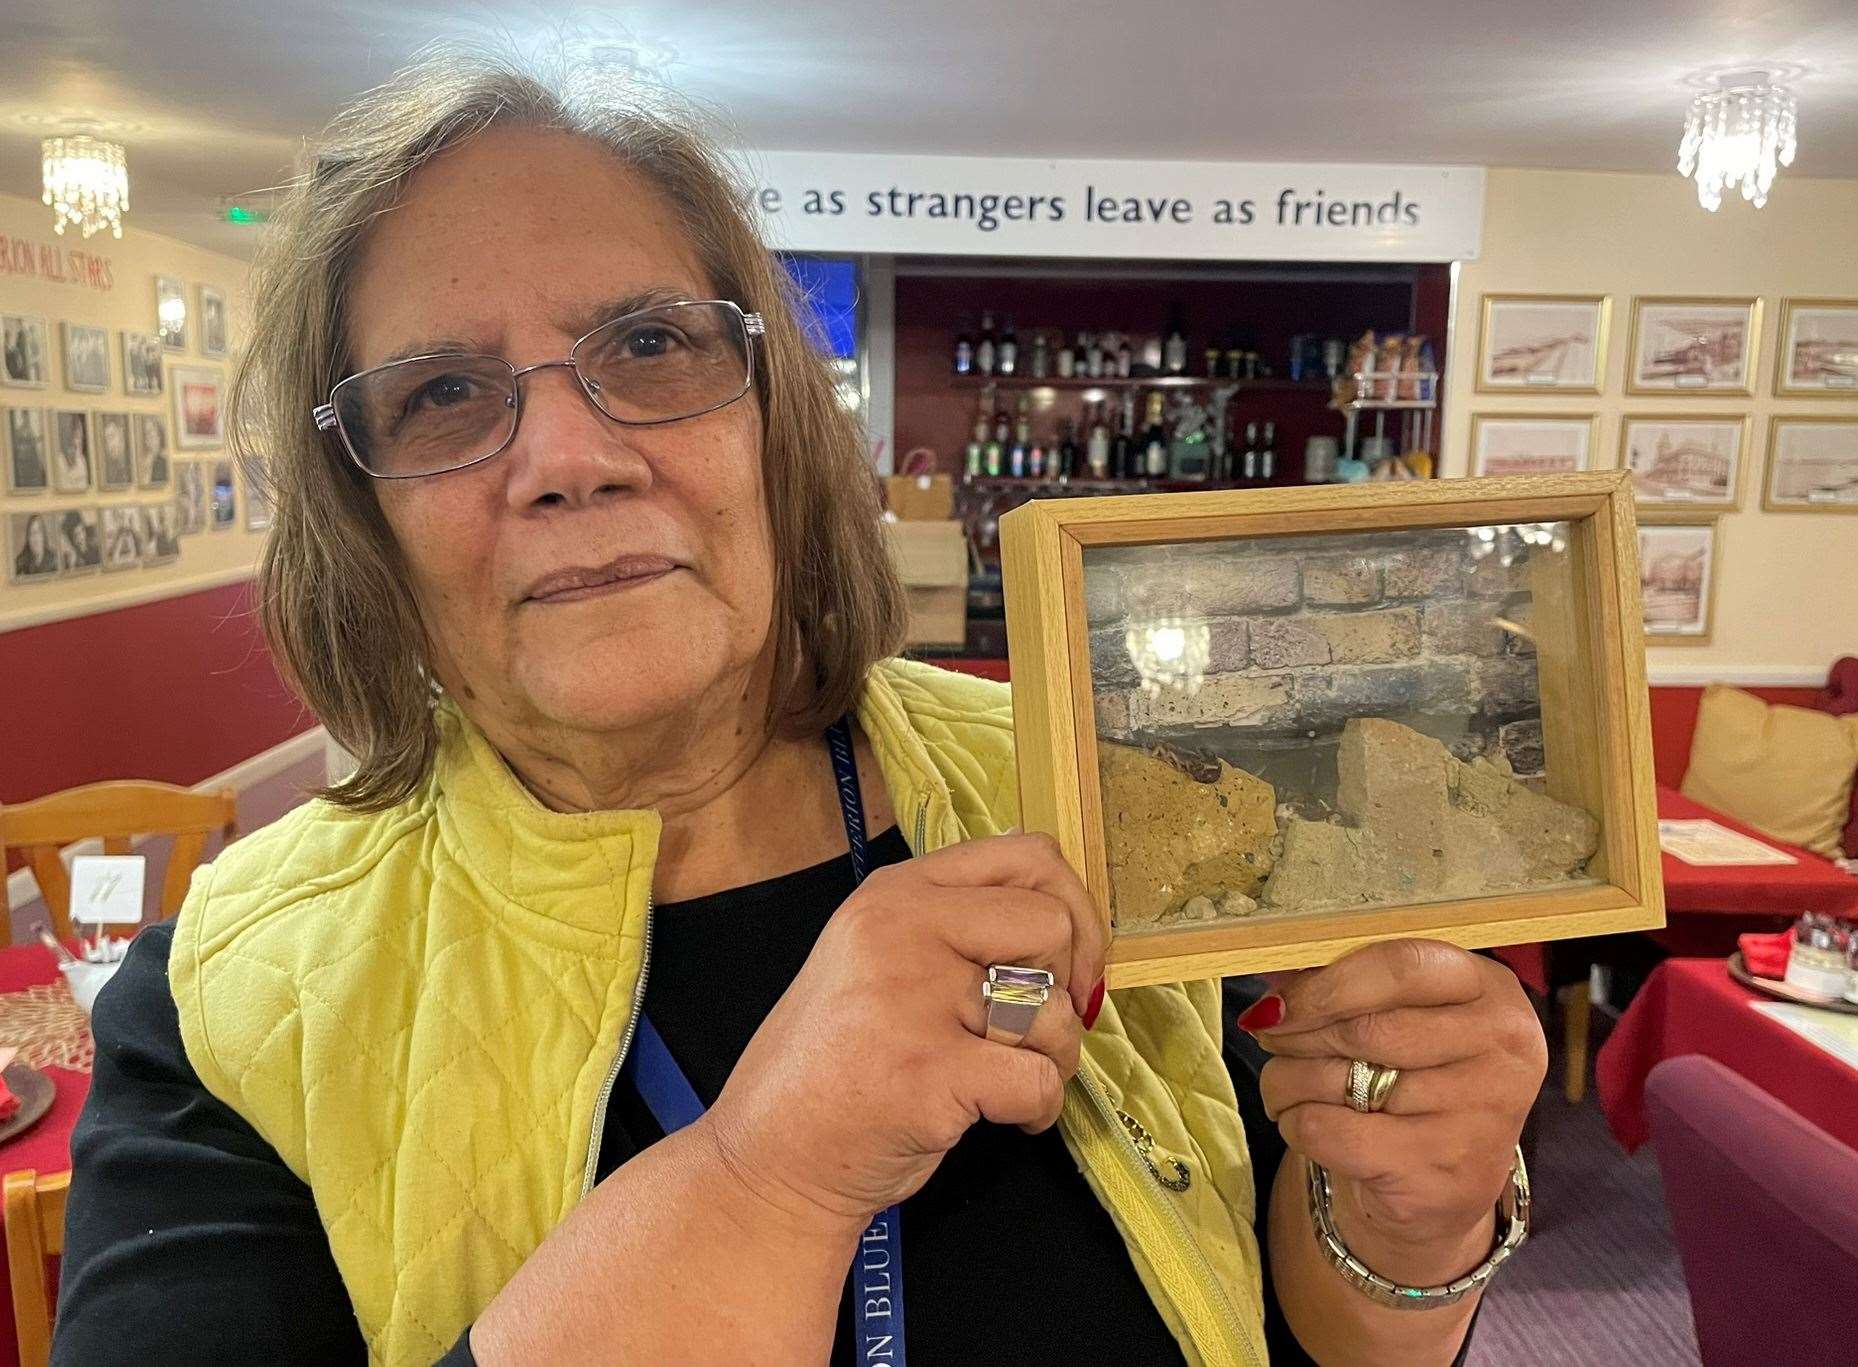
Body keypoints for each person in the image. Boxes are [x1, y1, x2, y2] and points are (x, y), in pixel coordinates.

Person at [54, 48, 1545, 1367]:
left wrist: (1405, 1231)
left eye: (648, 345)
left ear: (773, 420)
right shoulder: (229, 1003)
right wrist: (764, 1174)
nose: (568, 456)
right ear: (358, 512)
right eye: (442, 392)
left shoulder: (1089, 786)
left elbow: (1293, 1330)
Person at [12, 512, 56, 578]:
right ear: (28, 538)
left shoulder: (53, 559)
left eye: (38, 532)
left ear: (44, 535)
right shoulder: (20, 562)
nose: (36, 538)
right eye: (31, 533)